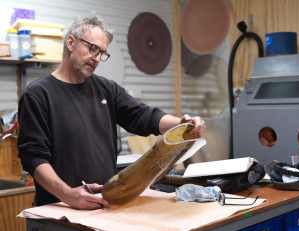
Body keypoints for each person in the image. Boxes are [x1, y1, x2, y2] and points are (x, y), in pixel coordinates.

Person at [17, 16, 205, 210]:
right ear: (71, 42)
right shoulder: (38, 95)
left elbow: (142, 116)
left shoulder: (106, 89)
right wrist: (70, 196)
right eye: (93, 49)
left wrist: (183, 123)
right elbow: (34, 158)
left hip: (102, 206)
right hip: (59, 209)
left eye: (102, 53)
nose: (97, 58)